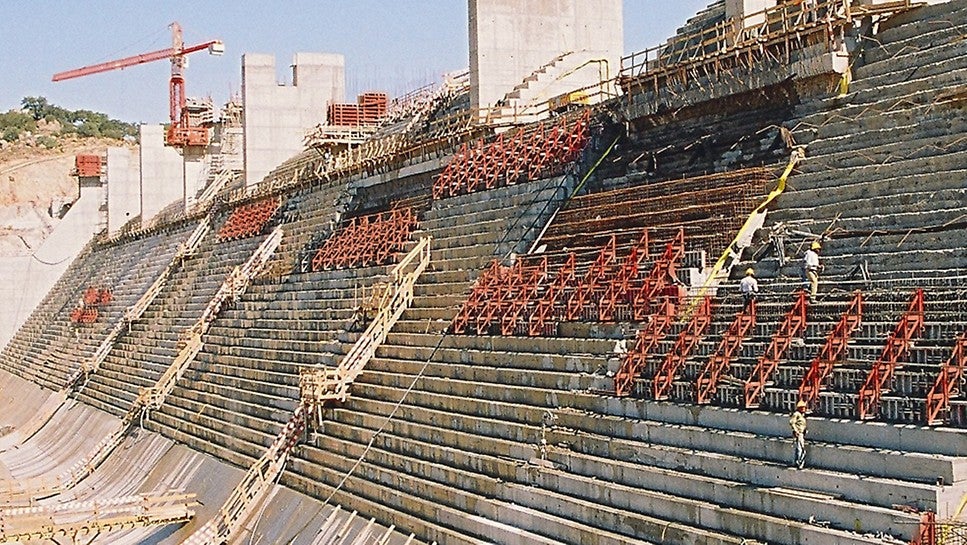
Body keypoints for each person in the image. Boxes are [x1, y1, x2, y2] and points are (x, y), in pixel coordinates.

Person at [789, 400, 808, 469]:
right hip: (799, 433)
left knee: (799, 448)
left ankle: (797, 461)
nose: (804, 409)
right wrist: (796, 430)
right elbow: (792, 422)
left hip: (801, 433)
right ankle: (800, 463)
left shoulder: (802, 415)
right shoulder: (796, 414)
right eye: (802, 407)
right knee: (800, 448)